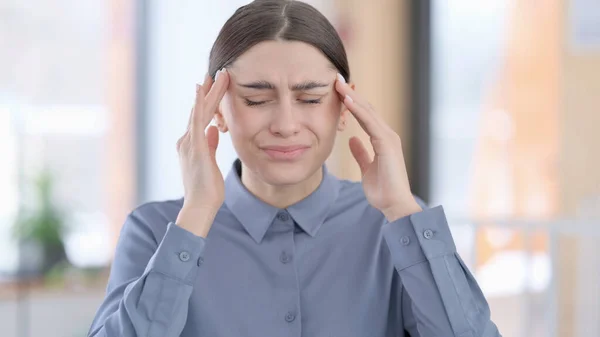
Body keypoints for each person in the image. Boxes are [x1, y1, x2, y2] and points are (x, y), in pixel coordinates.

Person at [88, 1, 501, 336]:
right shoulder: (154, 230)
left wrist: (402, 209)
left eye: (310, 98)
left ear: (344, 107)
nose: (286, 125)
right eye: (256, 99)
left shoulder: (391, 228)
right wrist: (196, 216)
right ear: (217, 110)